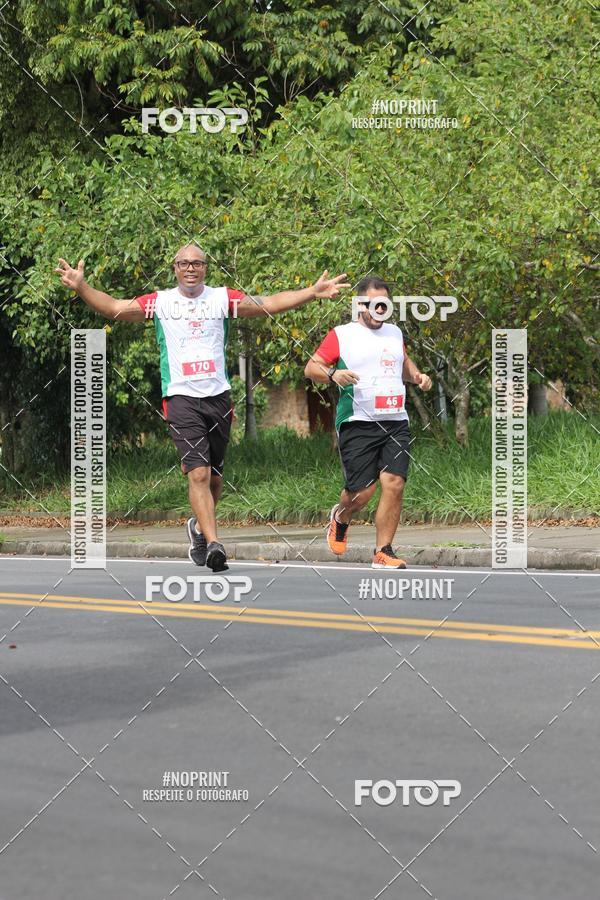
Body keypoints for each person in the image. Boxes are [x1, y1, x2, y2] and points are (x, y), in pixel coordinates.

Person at [56, 245, 348, 572]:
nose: (190, 268)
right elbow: (114, 308)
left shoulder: (222, 298)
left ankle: (196, 527)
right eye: (184, 263)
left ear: (205, 268)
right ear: (175, 268)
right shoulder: (161, 302)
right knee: (198, 472)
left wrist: (311, 292)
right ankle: (213, 544)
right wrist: (81, 286)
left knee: (215, 480)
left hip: (219, 397)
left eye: (197, 263)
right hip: (180, 398)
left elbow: (268, 304)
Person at [305, 276, 432, 569]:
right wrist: (333, 374)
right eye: (373, 304)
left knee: (394, 482)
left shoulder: (394, 333)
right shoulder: (341, 334)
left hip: (395, 420)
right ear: (359, 304)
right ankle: (341, 517)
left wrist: (417, 376)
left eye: (384, 305)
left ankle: (383, 551)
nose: (379, 310)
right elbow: (312, 367)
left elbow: (401, 362)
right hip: (357, 421)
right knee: (362, 492)